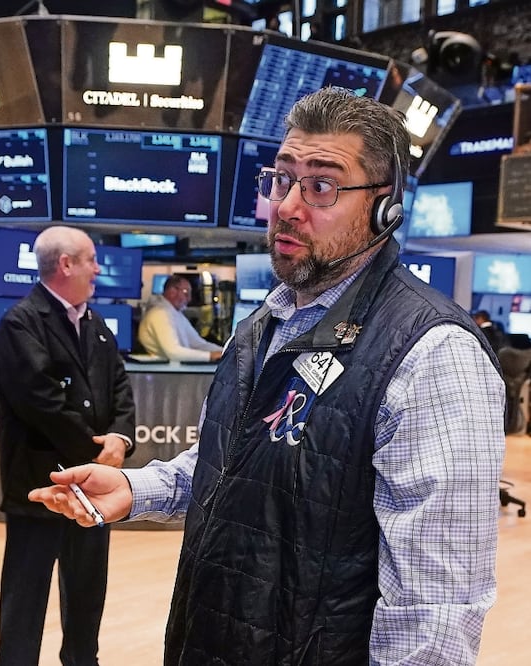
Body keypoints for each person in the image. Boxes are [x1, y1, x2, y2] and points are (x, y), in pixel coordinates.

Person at [30, 87, 505, 665]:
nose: (287, 206)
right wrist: (135, 489)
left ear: (383, 208)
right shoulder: (262, 326)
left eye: (321, 185)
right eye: (281, 179)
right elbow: (229, 465)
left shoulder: (433, 354)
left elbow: (436, 612)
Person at [0, 225, 136, 666]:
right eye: (91, 259)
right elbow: (42, 403)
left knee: (87, 594)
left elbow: (120, 387)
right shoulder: (20, 324)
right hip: (41, 488)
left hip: (92, 492)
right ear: (66, 264)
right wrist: (97, 454)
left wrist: (120, 439)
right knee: (25, 600)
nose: (98, 269)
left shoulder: (96, 324)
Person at [137, 274, 224, 362]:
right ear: (172, 291)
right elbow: (173, 352)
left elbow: (198, 344)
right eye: (186, 293)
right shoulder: (160, 314)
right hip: (165, 369)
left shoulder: (175, 314)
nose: (189, 299)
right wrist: (210, 356)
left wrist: (225, 352)